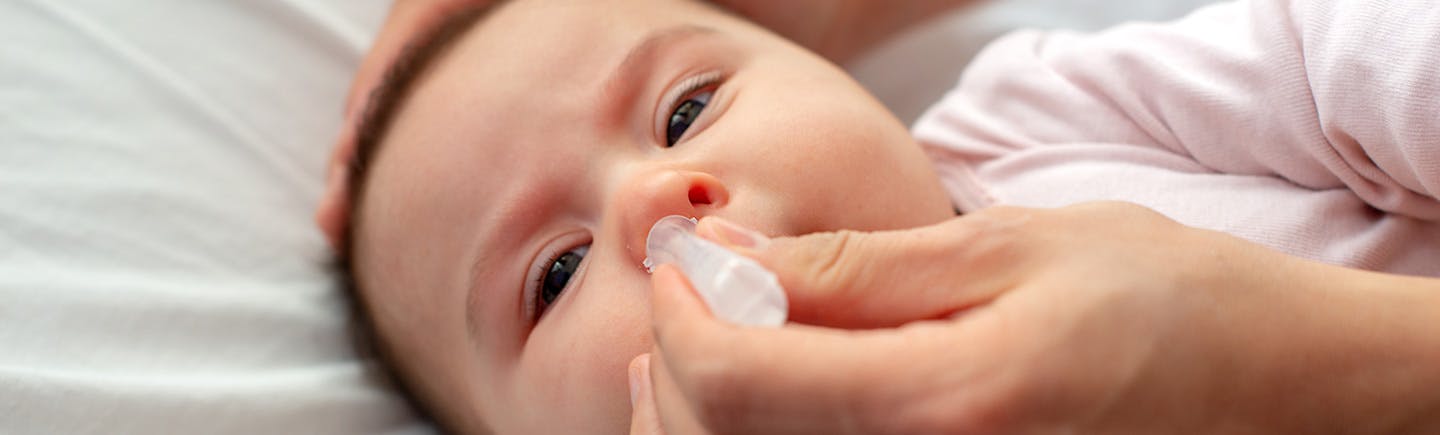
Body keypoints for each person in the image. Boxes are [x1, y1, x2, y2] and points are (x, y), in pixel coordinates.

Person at [314, 0, 1440, 433]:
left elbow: (1345, 56)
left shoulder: (1036, 120)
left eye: (687, 107)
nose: (652, 199)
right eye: (552, 278)